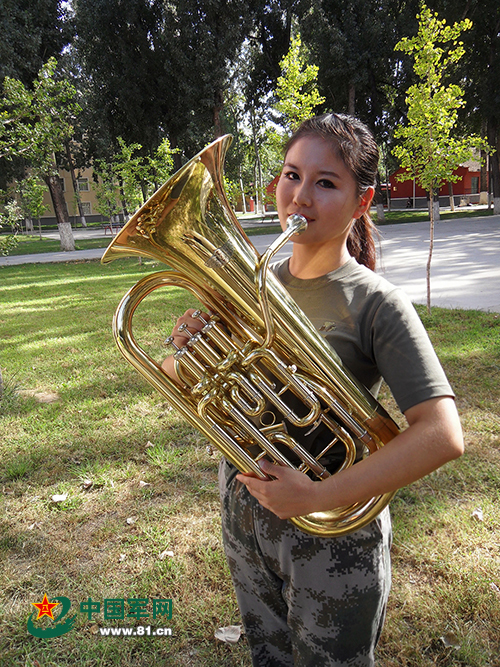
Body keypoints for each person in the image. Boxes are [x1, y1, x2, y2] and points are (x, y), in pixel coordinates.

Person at [162, 113, 464, 666]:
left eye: (326, 183)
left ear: (362, 201)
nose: (300, 195)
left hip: (333, 531)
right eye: (291, 175)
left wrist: (317, 497)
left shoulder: (376, 303)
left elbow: (442, 435)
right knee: (268, 657)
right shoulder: (250, 285)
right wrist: (186, 352)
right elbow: (194, 386)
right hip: (246, 511)